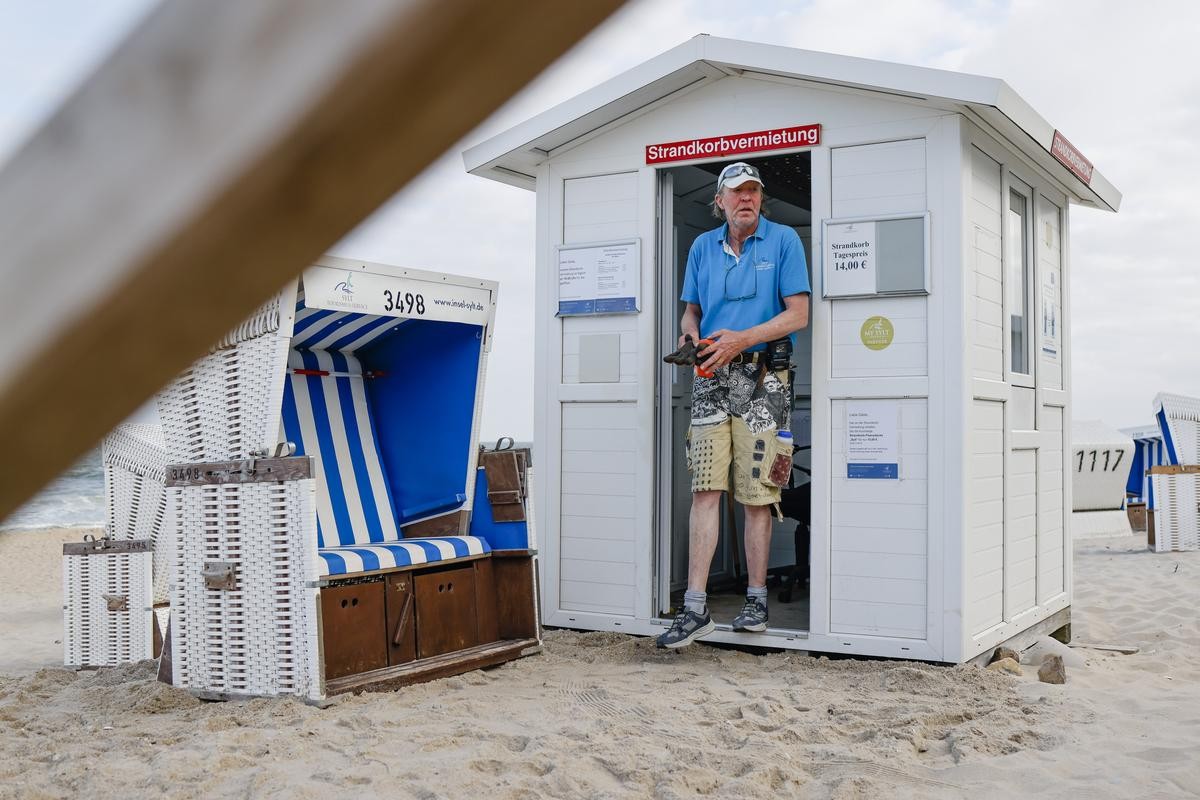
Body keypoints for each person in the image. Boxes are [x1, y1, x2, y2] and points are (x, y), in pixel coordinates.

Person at [656, 161, 810, 649]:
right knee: (705, 487)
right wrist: (689, 332)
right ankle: (696, 608)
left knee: (758, 491)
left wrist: (741, 339)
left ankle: (756, 599)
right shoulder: (702, 246)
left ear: (760, 198)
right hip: (710, 376)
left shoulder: (784, 240)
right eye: (736, 192)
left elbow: (799, 314)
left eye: (753, 191)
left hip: (766, 379)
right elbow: (692, 309)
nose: (746, 198)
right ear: (718, 201)